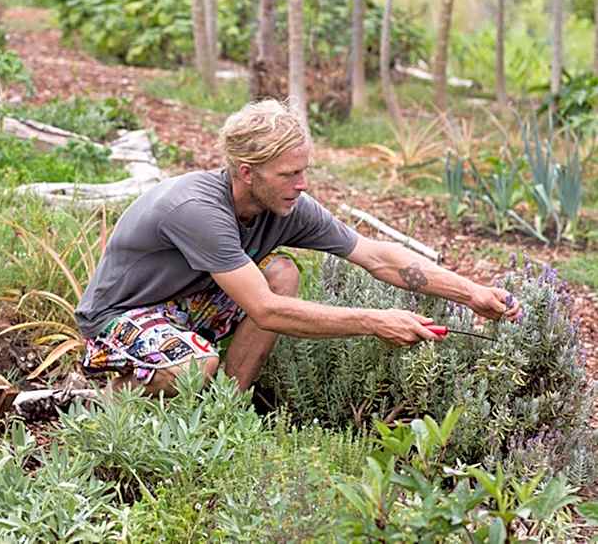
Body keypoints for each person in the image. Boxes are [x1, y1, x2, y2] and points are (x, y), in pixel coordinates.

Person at [75, 99, 520, 396]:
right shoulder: (197, 210)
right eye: (289, 174)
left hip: (185, 306)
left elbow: (376, 256)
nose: (302, 184)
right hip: (119, 317)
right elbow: (266, 311)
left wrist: (471, 293)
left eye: (303, 171)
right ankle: (103, 409)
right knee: (194, 365)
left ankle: (224, 407)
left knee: (281, 272)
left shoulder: (286, 205)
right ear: (247, 172)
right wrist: (374, 321)